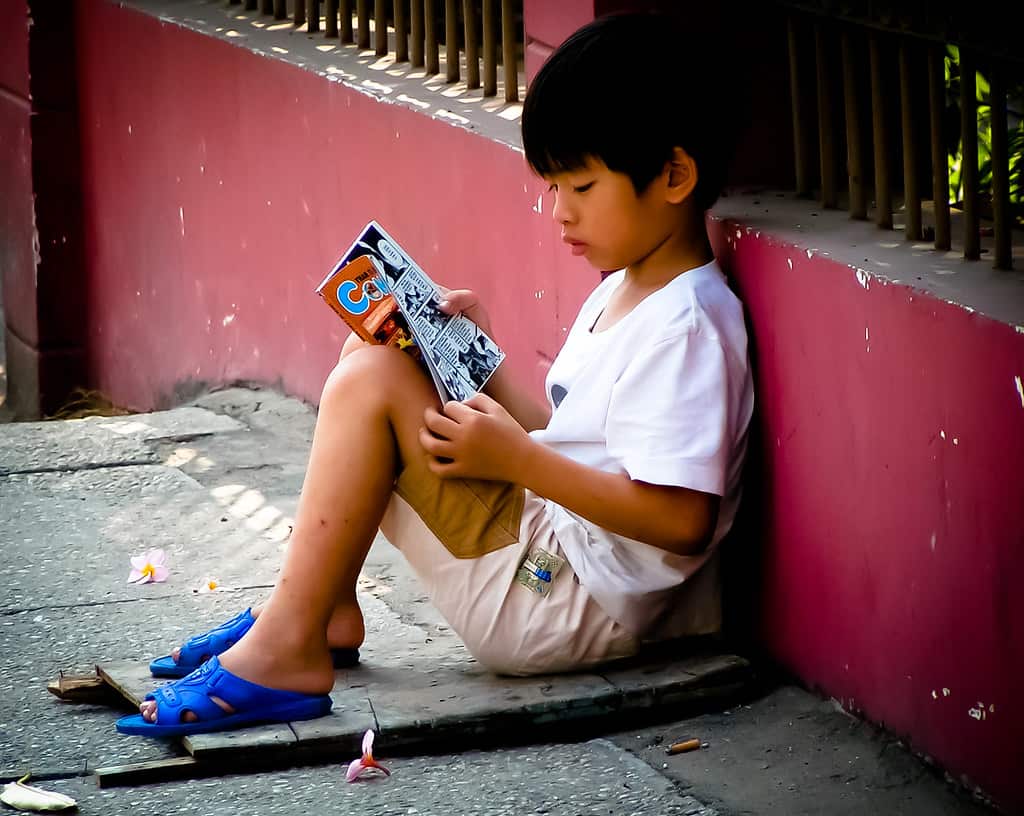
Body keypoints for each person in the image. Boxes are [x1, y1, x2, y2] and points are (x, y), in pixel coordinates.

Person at [116, 10, 754, 738]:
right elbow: (575, 441)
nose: (557, 213)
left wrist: (516, 462)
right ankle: (323, 609)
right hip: (562, 556)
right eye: (552, 187)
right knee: (379, 352)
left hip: (567, 604)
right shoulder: (627, 287)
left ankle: (290, 646)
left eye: (579, 187)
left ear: (673, 176)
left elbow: (680, 519)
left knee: (371, 385)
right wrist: (480, 363)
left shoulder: (689, 325)